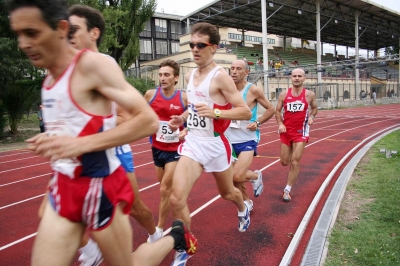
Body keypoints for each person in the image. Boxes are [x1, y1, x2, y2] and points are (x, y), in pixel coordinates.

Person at [6, 0, 197, 265]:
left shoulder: (92, 66)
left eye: (32, 33)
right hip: (64, 187)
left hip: (100, 187)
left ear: (61, 29)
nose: (23, 44)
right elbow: (73, 128)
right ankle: (91, 250)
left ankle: (175, 236)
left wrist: (80, 145)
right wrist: (53, 141)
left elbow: (147, 121)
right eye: (19, 34)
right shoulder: (49, 78)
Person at [66, 5, 160, 265]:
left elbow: (132, 119)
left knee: (134, 208)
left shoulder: (103, 68)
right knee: (55, 210)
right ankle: (91, 250)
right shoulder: (70, 70)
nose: (67, 35)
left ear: (94, 33)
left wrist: (89, 137)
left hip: (114, 156)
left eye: (74, 29)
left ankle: (158, 235)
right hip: (82, 161)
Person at [167, 22, 252, 265]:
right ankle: (184, 247)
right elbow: (195, 107)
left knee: (227, 192)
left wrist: (216, 113)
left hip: (216, 144)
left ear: (213, 48)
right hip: (194, 142)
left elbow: (244, 112)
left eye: (200, 45)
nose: (195, 49)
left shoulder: (221, 77)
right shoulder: (191, 74)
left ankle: (243, 207)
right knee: (176, 198)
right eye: (192, 44)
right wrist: (181, 118)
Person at [144, 59, 187, 242]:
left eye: (167, 75)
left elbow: (195, 114)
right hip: (157, 148)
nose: (162, 78)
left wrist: (185, 130)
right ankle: (179, 201)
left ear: (176, 78)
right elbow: (140, 115)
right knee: (167, 191)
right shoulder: (150, 95)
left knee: (163, 189)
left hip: (175, 150)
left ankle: (159, 229)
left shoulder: (183, 97)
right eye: (160, 74)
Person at [226, 60, 275, 211]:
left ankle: (255, 176)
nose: (234, 71)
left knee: (238, 175)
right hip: (228, 139)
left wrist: (258, 122)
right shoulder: (224, 90)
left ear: (246, 72)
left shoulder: (253, 90)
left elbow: (271, 109)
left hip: (247, 138)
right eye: (232, 68)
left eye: (238, 69)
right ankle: (247, 201)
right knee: (233, 180)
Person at [275, 68, 318, 202]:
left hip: (301, 131)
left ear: (304, 78)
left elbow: (315, 108)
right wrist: (280, 124)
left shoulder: (309, 95)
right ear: (291, 78)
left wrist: (312, 117)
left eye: (299, 76)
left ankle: (287, 190)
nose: (297, 78)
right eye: (294, 76)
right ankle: (290, 157)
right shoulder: (283, 94)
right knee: (284, 162)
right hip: (287, 131)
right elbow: (277, 110)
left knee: (294, 161)